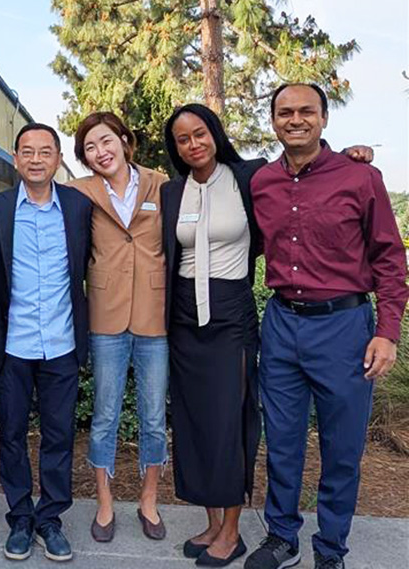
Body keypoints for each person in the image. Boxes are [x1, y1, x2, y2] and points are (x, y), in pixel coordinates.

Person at [245, 83, 407, 569]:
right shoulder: (261, 182)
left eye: (306, 111)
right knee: (283, 442)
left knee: (342, 448)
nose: (295, 119)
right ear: (273, 120)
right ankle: (282, 537)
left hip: (344, 329)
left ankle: (331, 548)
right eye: (284, 112)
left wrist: (388, 331)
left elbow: (390, 260)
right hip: (281, 325)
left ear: (324, 118)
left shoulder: (361, 178)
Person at [0, 123, 93, 563]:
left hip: (62, 344)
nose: (36, 159)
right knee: (10, 435)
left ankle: (50, 517)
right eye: (27, 151)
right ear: (15, 159)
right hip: (13, 346)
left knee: (59, 435)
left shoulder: (79, 208)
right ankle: (21, 516)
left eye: (46, 151)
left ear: (57, 157)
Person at [161, 104, 266, 568]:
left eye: (199, 134)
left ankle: (233, 531)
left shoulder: (249, 178)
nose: (193, 145)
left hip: (230, 314)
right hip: (183, 316)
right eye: (182, 139)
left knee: (229, 421)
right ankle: (211, 522)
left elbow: (304, 174)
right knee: (194, 422)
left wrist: (350, 155)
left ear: (215, 133)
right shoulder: (171, 192)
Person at [68, 112, 170, 544]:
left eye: (106, 141)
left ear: (125, 140)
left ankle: (149, 499)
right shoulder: (77, 192)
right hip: (105, 314)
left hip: (155, 313)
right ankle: (105, 502)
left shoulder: (161, 183)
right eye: (89, 147)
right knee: (105, 415)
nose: (99, 152)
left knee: (153, 416)